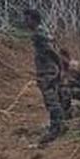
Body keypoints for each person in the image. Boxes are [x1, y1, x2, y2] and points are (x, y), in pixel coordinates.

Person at [22, 8, 64, 147]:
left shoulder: (38, 34)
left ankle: (56, 129)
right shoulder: (42, 31)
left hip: (47, 72)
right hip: (49, 70)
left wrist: (60, 68)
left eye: (27, 19)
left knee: (51, 101)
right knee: (54, 99)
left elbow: (51, 51)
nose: (25, 21)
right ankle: (58, 125)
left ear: (33, 19)